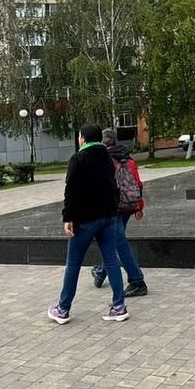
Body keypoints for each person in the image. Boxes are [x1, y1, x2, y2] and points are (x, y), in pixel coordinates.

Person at [47, 124, 129, 324]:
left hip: (85, 219)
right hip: (109, 217)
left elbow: (71, 191)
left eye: (79, 136)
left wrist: (68, 218)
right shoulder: (107, 157)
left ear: (82, 138)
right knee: (111, 260)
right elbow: (113, 186)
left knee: (73, 264)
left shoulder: (78, 159)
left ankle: (63, 309)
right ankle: (119, 306)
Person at [90, 128, 149, 297]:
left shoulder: (104, 159)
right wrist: (139, 206)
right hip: (129, 205)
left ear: (103, 142)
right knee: (114, 240)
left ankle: (137, 281)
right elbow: (137, 183)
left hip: (114, 208)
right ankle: (101, 272)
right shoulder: (127, 158)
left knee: (119, 244)